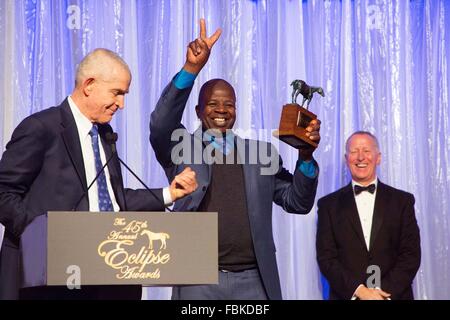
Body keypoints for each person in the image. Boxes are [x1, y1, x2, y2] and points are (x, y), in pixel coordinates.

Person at [0, 48, 197, 300]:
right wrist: (42, 236)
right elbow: (4, 192)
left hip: (109, 273)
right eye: (117, 93)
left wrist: (170, 193)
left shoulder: (104, 134)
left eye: (124, 95)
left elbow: (112, 200)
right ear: (89, 85)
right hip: (52, 278)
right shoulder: (41, 128)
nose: (122, 104)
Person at [150, 19, 321, 300]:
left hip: (253, 280)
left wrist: (305, 157)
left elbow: (298, 203)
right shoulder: (180, 147)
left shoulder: (261, 153)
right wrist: (191, 69)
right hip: (197, 279)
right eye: (213, 104)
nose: (222, 110)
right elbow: (160, 124)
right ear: (198, 110)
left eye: (229, 104)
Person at [316, 131, 421, 300]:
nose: (360, 157)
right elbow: (327, 258)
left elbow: (411, 255)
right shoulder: (328, 205)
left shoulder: (403, 201)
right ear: (346, 158)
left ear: (378, 157)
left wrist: (380, 293)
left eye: (366, 150)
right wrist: (360, 292)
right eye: (354, 151)